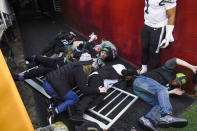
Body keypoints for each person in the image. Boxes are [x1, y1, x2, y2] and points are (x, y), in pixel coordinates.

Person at [133, 57, 197, 131]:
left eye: (178, 83)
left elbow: (160, 94)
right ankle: (167, 115)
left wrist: (172, 91)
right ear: (176, 75)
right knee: (163, 91)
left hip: (142, 91)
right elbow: (174, 60)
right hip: (141, 81)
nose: (175, 83)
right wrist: (191, 67)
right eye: (176, 80)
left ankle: (147, 120)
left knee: (161, 103)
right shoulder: (167, 70)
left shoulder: (168, 87)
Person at [44, 53, 108, 121]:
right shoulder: (80, 70)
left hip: (47, 82)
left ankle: (53, 101)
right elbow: (84, 90)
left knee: (68, 95)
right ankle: (54, 111)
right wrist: (98, 90)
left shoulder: (74, 64)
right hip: (52, 87)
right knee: (74, 99)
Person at [67, 64, 139, 123]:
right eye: (129, 77)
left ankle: (74, 108)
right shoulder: (121, 67)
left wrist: (126, 81)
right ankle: (78, 113)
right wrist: (136, 72)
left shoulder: (120, 78)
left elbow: (122, 85)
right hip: (98, 77)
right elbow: (125, 72)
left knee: (99, 100)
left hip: (102, 84)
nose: (127, 79)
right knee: (92, 95)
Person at [140, 0, 177, 74]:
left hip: (158, 26)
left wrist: (167, 36)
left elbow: (172, 15)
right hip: (147, 23)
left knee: (154, 52)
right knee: (144, 47)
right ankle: (144, 68)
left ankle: (153, 74)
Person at [13, 44, 84, 81]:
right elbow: (59, 48)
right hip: (55, 62)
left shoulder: (77, 64)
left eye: (75, 57)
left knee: (40, 70)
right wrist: (58, 52)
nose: (73, 56)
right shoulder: (69, 51)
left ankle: (19, 77)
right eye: (73, 53)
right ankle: (28, 60)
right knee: (40, 58)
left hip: (58, 70)